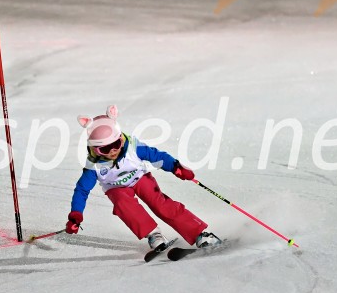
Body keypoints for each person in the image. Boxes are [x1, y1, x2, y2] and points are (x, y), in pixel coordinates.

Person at [65, 105, 221, 251]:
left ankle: (200, 234)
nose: (113, 150)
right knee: (122, 204)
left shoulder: (132, 147)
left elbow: (156, 156)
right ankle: (154, 235)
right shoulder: (94, 165)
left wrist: (175, 167)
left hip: (140, 178)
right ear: (95, 148)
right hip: (115, 188)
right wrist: (76, 215)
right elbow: (82, 190)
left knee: (161, 205)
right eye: (105, 148)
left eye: (116, 144)